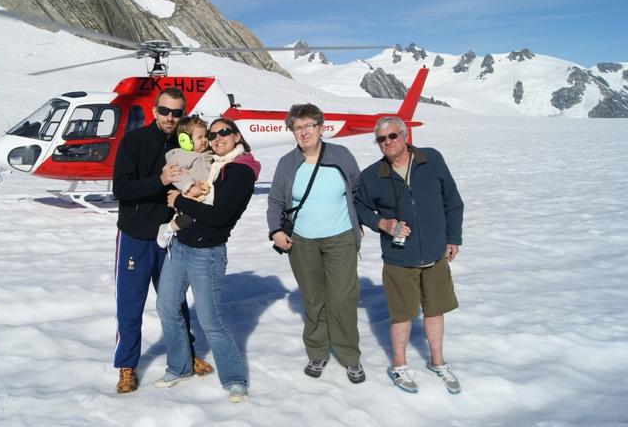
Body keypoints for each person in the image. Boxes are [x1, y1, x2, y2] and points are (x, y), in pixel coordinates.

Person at [111, 87, 213, 394]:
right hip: (136, 235)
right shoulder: (135, 141)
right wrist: (161, 180)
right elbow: (121, 189)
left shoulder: (186, 142)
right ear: (155, 111)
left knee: (174, 302)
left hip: (173, 236)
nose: (171, 117)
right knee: (131, 303)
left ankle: (186, 355)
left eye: (177, 113)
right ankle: (127, 366)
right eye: (165, 111)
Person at [354, 115, 464, 394]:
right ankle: (399, 365)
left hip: (435, 254)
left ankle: (437, 361)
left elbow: (452, 200)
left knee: (435, 309)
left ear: (405, 136)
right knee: (402, 315)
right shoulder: (372, 176)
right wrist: (383, 223)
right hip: (399, 259)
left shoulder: (431, 160)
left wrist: (453, 238)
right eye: (381, 139)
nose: (387, 142)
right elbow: (359, 207)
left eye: (392, 136)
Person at [154, 118, 260, 403]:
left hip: (207, 254)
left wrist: (178, 200)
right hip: (180, 247)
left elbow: (218, 216)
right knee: (166, 307)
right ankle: (179, 367)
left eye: (224, 132)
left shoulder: (240, 171)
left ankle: (234, 380)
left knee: (210, 320)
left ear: (237, 136)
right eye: (212, 134)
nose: (217, 138)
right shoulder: (212, 164)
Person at [266, 103, 366, 384]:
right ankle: (317, 350)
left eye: (309, 125)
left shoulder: (341, 155)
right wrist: (275, 230)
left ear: (321, 128)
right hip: (302, 241)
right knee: (313, 297)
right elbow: (275, 201)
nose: (304, 132)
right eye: (298, 127)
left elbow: (356, 189)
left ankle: (349, 355)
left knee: (343, 297)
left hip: (341, 238)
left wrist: (358, 221)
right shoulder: (288, 163)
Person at [156, 115, 213, 248]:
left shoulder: (208, 155)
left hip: (203, 196)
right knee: (186, 219)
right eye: (200, 137)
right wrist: (189, 186)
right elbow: (176, 174)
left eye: (206, 136)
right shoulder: (181, 156)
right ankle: (167, 229)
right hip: (188, 196)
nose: (204, 140)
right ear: (185, 140)